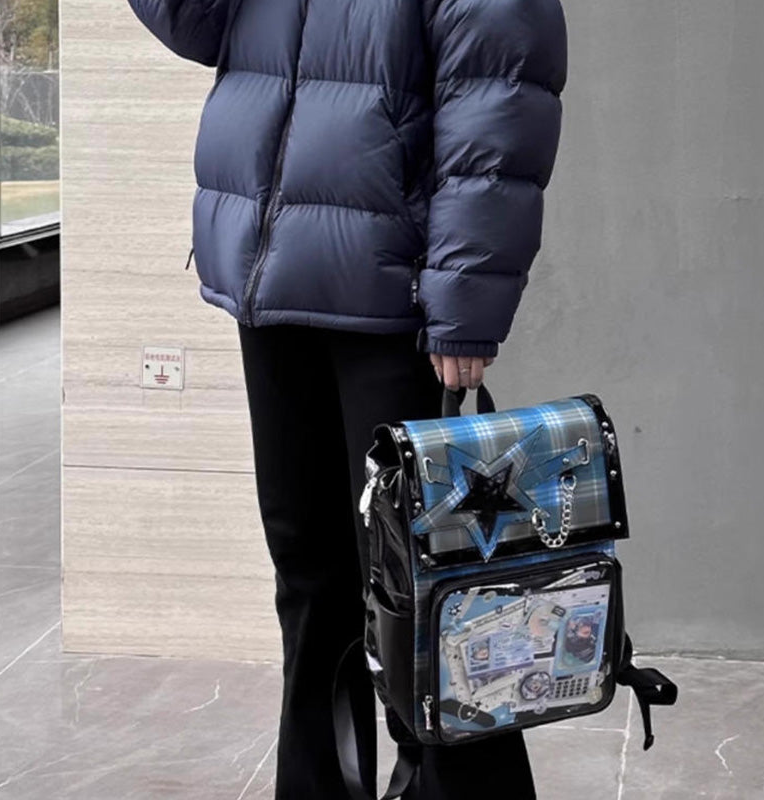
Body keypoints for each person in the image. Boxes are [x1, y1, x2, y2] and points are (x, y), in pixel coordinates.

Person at [126, 1, 567, 797]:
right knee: (307, 574)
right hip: (271, 277)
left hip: (394, 300)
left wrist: (464, 305)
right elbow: (194, 24)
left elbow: (497, 104)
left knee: (431, 585)